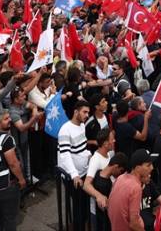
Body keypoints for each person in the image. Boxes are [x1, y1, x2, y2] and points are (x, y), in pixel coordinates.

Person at [0, 110, 27, 231]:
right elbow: (13, 163)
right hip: (7, 185)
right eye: (6, 119)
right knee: (10, 219)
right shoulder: (6, 139)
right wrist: (21, 179)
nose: (10, 120)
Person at [59, 99, 93, 231]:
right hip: (73, 177)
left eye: (88, 113)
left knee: (84, 204)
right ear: (75, 112)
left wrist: (88, 155)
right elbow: (65, 154)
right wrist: (74, 175)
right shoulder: (65, 130)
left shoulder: (82, 126)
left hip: (83, 173)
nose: (87, 115)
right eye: (84, 112)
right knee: (78, 206)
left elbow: (82, 146)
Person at [107, 150, 154, 231]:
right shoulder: (136, 187)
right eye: (148, 165)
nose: (152, 168)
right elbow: (134, 223)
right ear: (138, 168)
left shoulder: (120, 178)